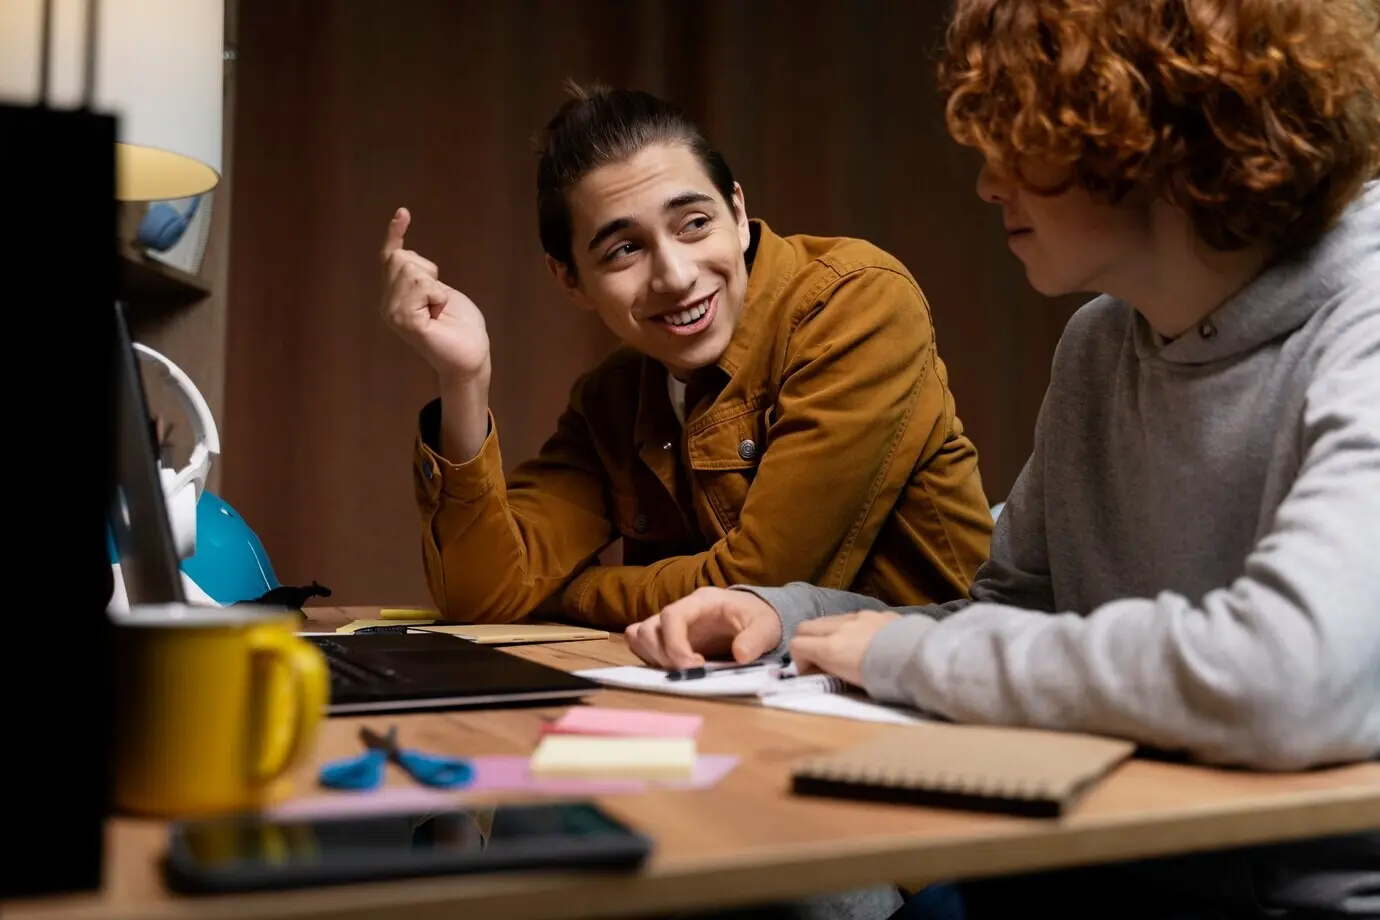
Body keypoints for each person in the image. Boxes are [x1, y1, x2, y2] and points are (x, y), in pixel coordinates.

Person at [627, 1, 1380, 916]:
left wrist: (905, 655)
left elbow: (1287, 680)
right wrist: (786, 618)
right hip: (1089, 861)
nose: (987, 183)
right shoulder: (1101, 344)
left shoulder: (1365, 327)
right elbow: (1008, 625)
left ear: (1153, 138)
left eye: (1022, 142)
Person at [381, 83, 993, 629]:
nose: (675, 276)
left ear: (738, 213)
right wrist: (464, 381)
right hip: (741, 698)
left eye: (695, 223)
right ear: (569, 279)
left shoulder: (856, 303)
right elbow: (484, 593)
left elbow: (759, 587)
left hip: (926, 695)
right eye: (624, 250)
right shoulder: (614, 397)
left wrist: (571, 594)